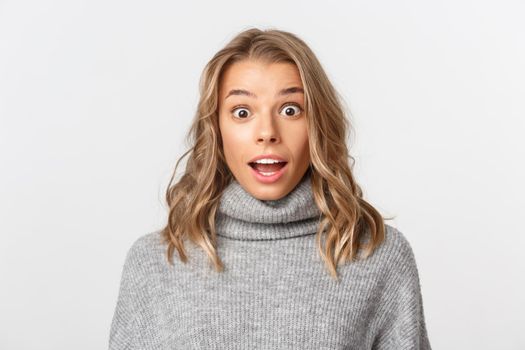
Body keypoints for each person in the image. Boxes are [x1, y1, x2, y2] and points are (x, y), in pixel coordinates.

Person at [108, 27, 432, 349]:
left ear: (317, 124)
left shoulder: (377, 254)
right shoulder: (156, 261)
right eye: (242, 112)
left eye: (290, 110)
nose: (267, 132)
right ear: (216, 128)